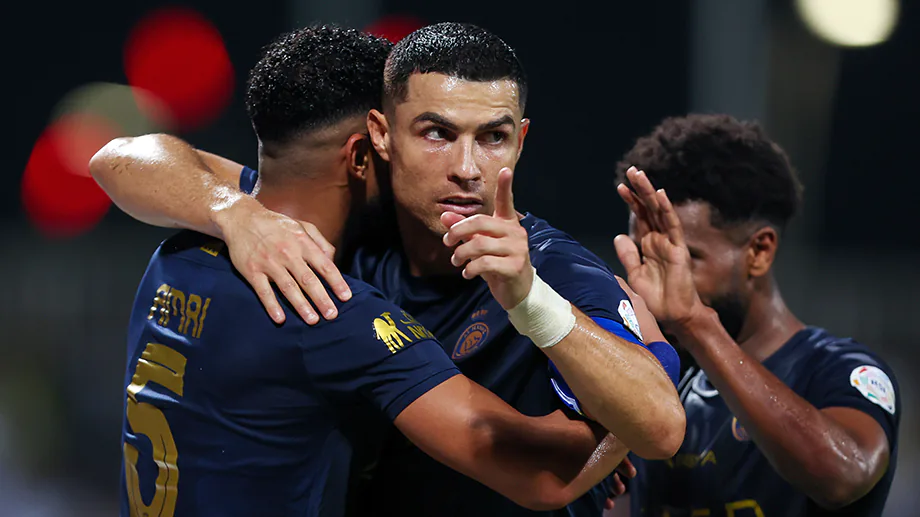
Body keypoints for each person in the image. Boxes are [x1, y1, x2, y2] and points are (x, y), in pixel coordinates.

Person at [92, 22, 684, 516]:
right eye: (437, 133)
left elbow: (661, 427)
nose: (467, 168)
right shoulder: (312, 257)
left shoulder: (557, 272)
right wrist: (235, 212)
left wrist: (533, 301)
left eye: (493, 137)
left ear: (520, 140)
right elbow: (120, 157)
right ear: (379, 138)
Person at [610, 114, 900, 516]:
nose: (658, 281)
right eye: (646, 256)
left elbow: (844, 475)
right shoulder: (661, 379)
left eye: (685, 258)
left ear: (759, 252)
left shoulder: (838, 370)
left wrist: (694, 322)